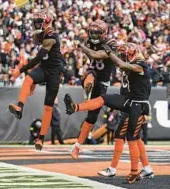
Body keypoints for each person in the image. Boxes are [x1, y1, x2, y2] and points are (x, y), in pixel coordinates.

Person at [64, 42, 152, 184]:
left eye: (125, 55)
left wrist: (110, 53)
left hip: (137, 105)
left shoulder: (140, 65)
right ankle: (76, 107)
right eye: (122, 55)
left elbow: (124, 66)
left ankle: (134, 172)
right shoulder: (133, 59)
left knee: (132, 138)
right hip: (127, 100)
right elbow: (117, 62)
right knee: (104, 98)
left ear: (132, 54)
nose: (123, 57)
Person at [8, 11, 65, 151]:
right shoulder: (42, 34)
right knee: (28, 79)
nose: (37, 24)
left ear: (47, 22)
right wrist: (33, 81)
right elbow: (42, 60)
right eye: (36, 21)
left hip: (54, 73)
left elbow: (39, 57)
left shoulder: (51, 36)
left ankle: (41, 138)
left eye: (39, 21)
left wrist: (19, 70)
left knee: (48, 107)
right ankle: (19, 108)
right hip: (44, 68)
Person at [70, 19, 117, 159]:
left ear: (104, 34)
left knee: (92, 117)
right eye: (92, 33)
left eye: (97, 34)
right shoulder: (89, 42)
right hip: (93, 73)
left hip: (103, 81)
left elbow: (96, 55)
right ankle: (87, 87)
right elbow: (91, 58)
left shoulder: (111, 43)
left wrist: (81, 47)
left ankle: (77, 146)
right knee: (90, 75)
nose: (94, 37)